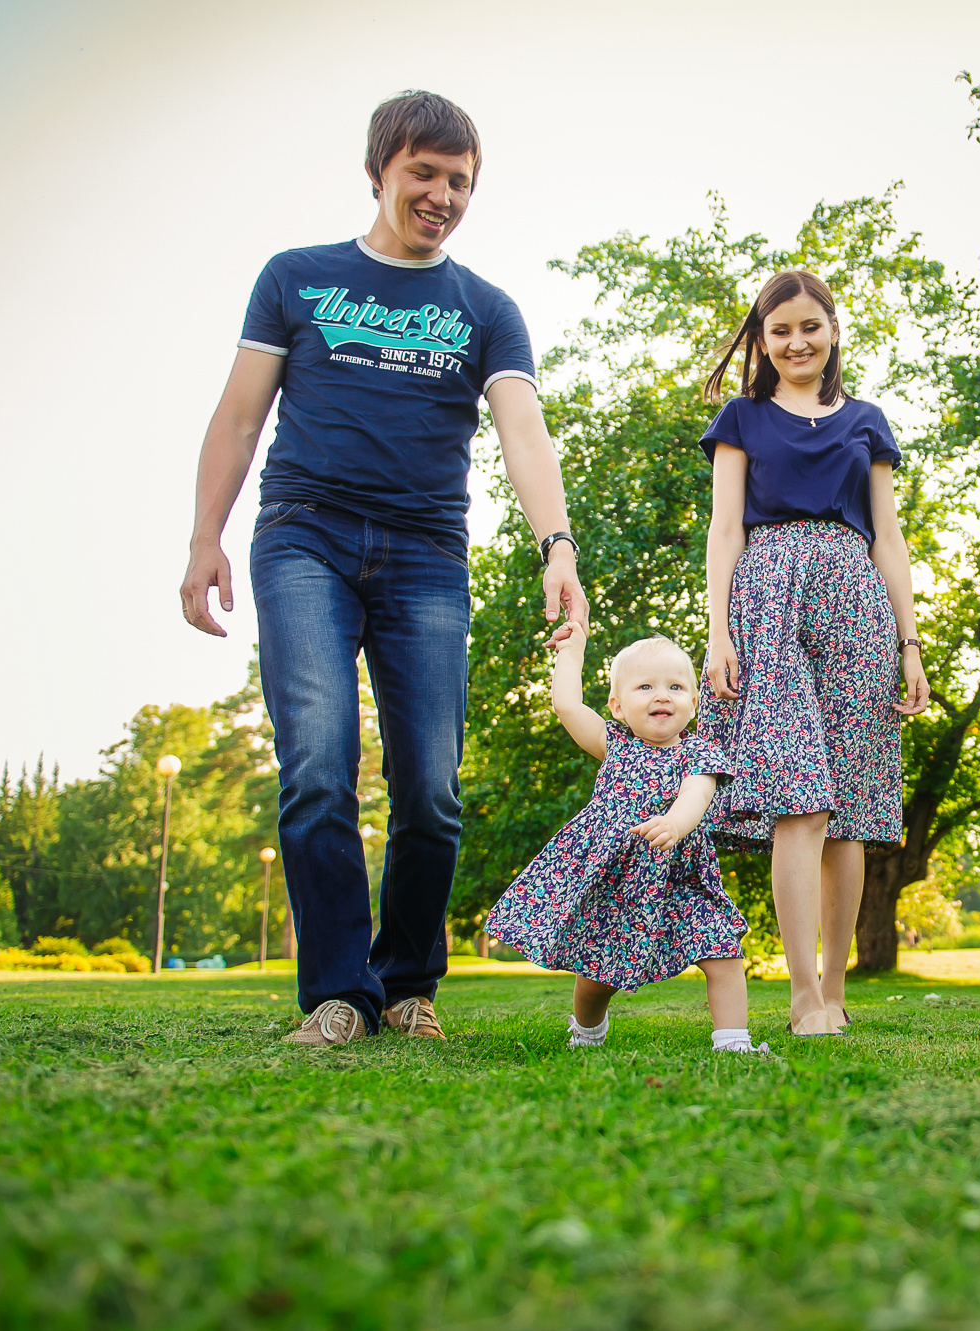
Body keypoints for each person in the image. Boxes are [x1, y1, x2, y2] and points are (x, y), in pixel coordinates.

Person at [179, 91, 587, 1046]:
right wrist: (205, 538)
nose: (442, 195)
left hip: (427, 556)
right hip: (305, 538)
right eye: (424, 173)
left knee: (431, 790)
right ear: (378, 172)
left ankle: (407, 986)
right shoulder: (297, 278)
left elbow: (524, 432)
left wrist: (557, 544)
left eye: (460, 181)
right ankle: (338, 995)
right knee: (318, 765)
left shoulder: (485, 309)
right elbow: (238, 416)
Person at [697, 270, 930, 1037]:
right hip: (769, 599)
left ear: (832, 329)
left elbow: (888, 537)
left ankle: (833, 992)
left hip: (857, 603)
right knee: (799, 797)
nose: (797, 342)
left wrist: (910, 642)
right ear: (762, 340)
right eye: (781, 330)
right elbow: (724, 528)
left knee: (850, 811)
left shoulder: (867, 421)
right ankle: (801, 995)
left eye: (810, 327)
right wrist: (718, 630)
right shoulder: (742, 417)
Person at [487, 623, 762, 1053]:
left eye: (675, 687)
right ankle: (587, 1030)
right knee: (596, 976)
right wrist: (572, 650)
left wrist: (675, 823)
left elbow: (697, 794)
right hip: (615, 883)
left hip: (680, 880)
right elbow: (566, 705)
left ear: (693, 702)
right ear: (617, 706)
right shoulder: (612, 744)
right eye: (645, 687)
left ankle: (733, 1042)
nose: (661, 695)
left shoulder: (699, 752)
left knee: (722, 949)